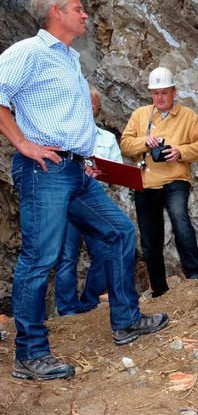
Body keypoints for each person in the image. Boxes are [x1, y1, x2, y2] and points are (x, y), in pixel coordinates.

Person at [0, 0, 169, 381]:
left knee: (118, 232)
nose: (85, 14)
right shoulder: (28, 52)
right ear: (56, 12)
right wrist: (22, 143)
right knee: (40, 259)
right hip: (45, 171)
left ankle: (125, 322)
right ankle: (29, 354)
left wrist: (84, 157)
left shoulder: (69, 60)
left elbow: (70, 120)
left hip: (76, 169)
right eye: (78, 8)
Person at [120, 67, 198, 298]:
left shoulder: (188, 116)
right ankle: (159, 288)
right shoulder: (140, 115)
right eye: (156, 93)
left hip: (175, 178)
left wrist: (180, 151)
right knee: (150, 236)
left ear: (174, 92)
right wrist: (144, 143)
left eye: (165, 93)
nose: (160, 98)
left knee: (180, 217)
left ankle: (195, 275)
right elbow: (126, 145)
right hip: (147, 181)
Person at [54, 87, 123, 315]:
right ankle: (67, 310)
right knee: (66, 258)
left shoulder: (108, 139)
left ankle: (89, 302)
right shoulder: (63, 136)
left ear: (96, 109)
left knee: (104, 252)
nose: (86, 108)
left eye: (91, 105)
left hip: (96, 204)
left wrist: (101, 173)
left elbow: (118, 175)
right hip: (70, 203)